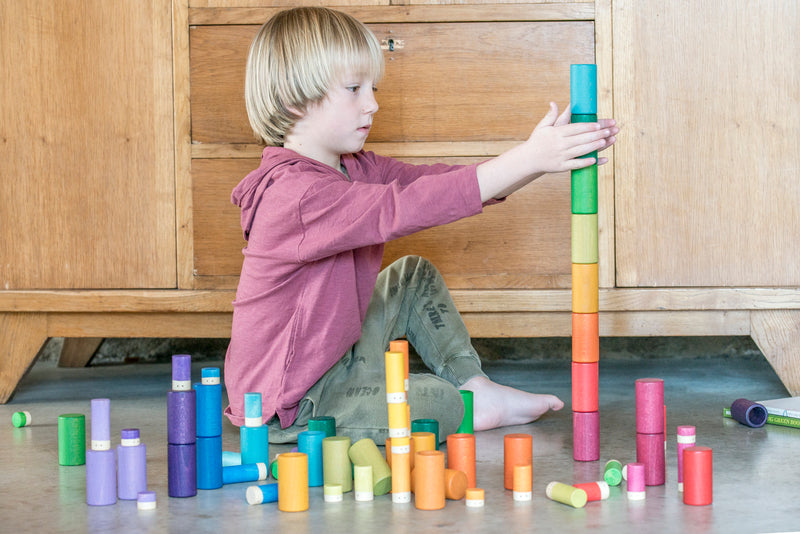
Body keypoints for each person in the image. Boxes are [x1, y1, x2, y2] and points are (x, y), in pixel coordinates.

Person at [223, 6, 618, 443]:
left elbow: (436, 185)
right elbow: (403, 207)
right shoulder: (295, 195)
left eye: (371, 87)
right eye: (354, 88)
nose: (372, 103)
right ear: (293, 100)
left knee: (413, 275)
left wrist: (539, 159)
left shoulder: (351, 167)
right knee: (438, 404)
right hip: (294, 403)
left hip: (336, 355)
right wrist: (527, 158)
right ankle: (466, 403)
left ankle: (476, 388)